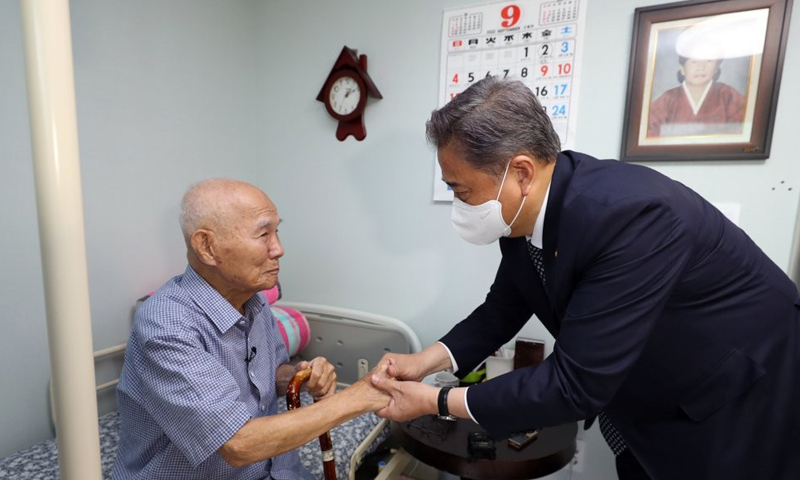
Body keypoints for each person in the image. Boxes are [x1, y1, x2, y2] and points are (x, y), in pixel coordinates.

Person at [370, 77, 800, 480]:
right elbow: (500, 311)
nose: (459, 205)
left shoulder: (632, 217)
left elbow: (574, 383)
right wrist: (423, 362)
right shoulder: (523, 218)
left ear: (521, 173)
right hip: (637, 394)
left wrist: (437, 401)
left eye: (462, 191)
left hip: (730, 396)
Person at [112, 179, 389, 480]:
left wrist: (300, 376)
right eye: (263, 234)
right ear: (207, 247)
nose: (279, 249)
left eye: (277, 232)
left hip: (278, 471)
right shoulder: (166, 325)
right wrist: (357, 398)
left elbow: (267, 377)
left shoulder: (253, 300)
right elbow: (237, 444)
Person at [647, 48, 746, 138]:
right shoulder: (667, 99)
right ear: (682, 69)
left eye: (708, 61)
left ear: (716, 68)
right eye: (694, 62)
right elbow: (649, 131)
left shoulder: (728, 95)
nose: (701, 68)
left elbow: (743, 129)